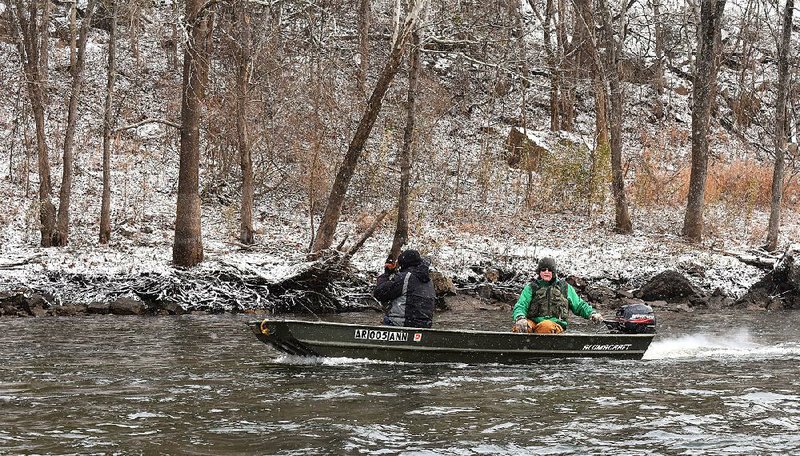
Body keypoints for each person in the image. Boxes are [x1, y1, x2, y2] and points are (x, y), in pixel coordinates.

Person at [512, 257, 602, 334]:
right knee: (520, 327)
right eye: (543, 270)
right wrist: (520, 317)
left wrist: (592, 314)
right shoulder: (530, 287)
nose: (546, 272)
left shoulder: (564, 287)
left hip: (554, 325)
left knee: (545, 326)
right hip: (533, 322)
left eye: (549, 270)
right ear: (539, 272)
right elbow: (521, 305)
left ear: (554, 272)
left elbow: (579, 305)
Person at [373, 249, 435, 328]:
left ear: (403, 264)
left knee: (386, 318)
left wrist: (386, 274)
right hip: (424, 325)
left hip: (404, 324)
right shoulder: (428, 279)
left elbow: (379, 293)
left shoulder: (405, 277)